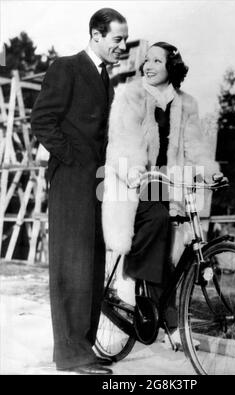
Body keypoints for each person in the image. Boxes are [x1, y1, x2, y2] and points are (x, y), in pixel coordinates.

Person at [31, 8, 128, 374]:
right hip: (72, 181)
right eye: (117, 39)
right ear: (96, 35)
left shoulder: (104, 78)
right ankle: (71, 355)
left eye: (124, 40)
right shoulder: (66, 67)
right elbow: (42, 120)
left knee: (90, 265)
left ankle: (83, 348)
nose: (121, 46)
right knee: (72, 266)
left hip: (96, 183)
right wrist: (73, 160)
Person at [102, 42, 218, 347]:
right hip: (130, 181)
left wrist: (210, 171)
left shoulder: (186, 103)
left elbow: (195, 146)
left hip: (167, 184)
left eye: (157, 60)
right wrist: (133, 170)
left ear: (172, 67)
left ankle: (163, 310)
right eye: (147, 60)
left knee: (170, 244)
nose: (148, 66)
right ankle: (130, 284)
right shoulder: (130, 95)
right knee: (156, 218)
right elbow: (121, 139)